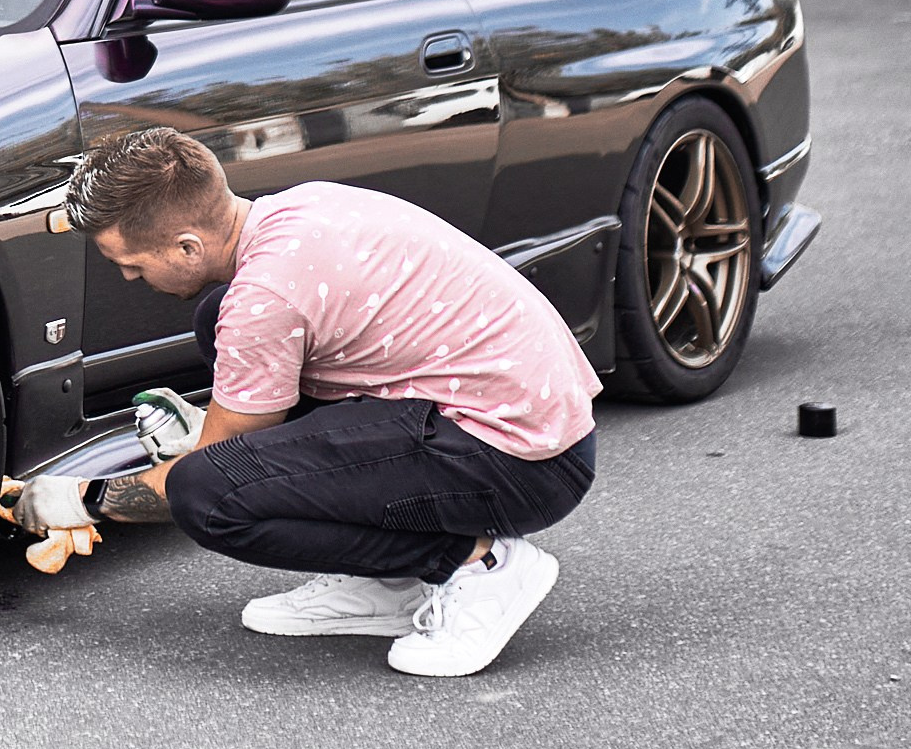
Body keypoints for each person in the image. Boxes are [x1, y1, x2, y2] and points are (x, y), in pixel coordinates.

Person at [30, 127, 601, 678]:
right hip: (514, 418)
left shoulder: (265, 299)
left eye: (129, 260)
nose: (128, 275)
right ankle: (388, 582)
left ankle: (479, 562)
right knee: (215, 320)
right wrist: (219, 431)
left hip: (521, 465)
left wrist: (77, 501)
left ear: (187, 245)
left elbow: (203, 473)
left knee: (204, 494)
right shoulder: (298, 208)